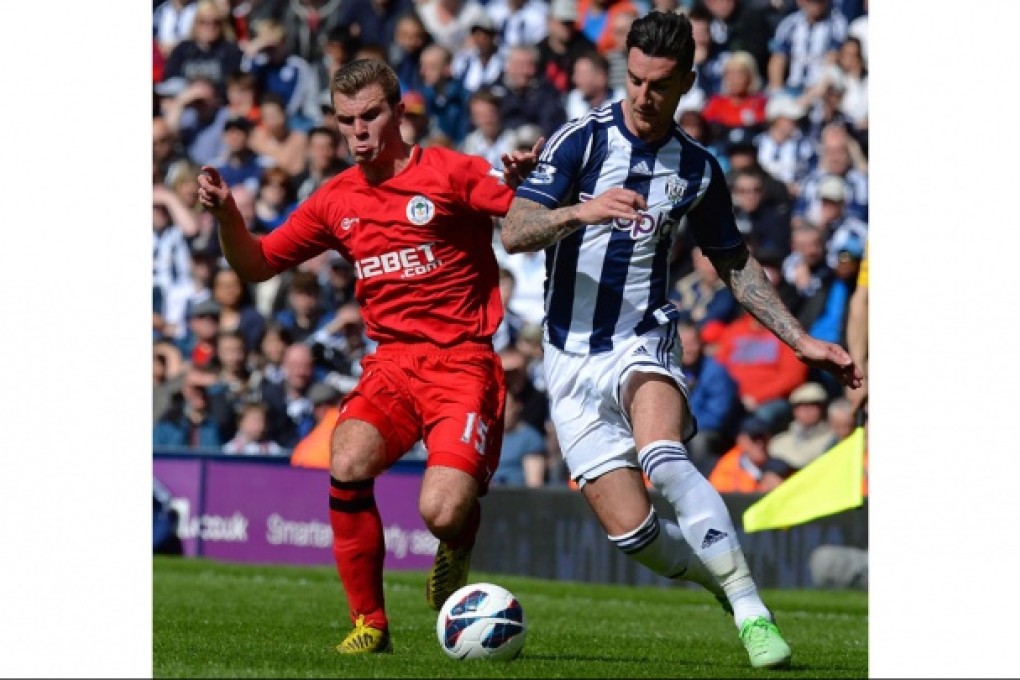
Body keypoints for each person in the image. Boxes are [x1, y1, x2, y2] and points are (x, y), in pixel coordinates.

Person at [502, 11, 861, 669]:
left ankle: (751, 610)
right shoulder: (579, 143)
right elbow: (514, 231)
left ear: (687, 83)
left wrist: (800, 339)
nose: (644, 96)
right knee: (636, 536)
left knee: (664, 453)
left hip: (643, 339)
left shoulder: (697, 167)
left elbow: (733, 261)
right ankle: (717, 581)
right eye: (636, 80)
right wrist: (582, 209)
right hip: (567, 356)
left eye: (660, 85)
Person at [197, 58, 540, 654]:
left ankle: (459, 538)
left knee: (441, 511)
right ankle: (370, 624)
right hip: (392, 364)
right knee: (347, 457)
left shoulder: (451, 172)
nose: (357, 130)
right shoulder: (336, 199)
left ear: (398, 112)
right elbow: (253, 265)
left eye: (370, 116)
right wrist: (228, 213)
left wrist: (525, 182)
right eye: (345, 119)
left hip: (463, 362)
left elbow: (518, 211)